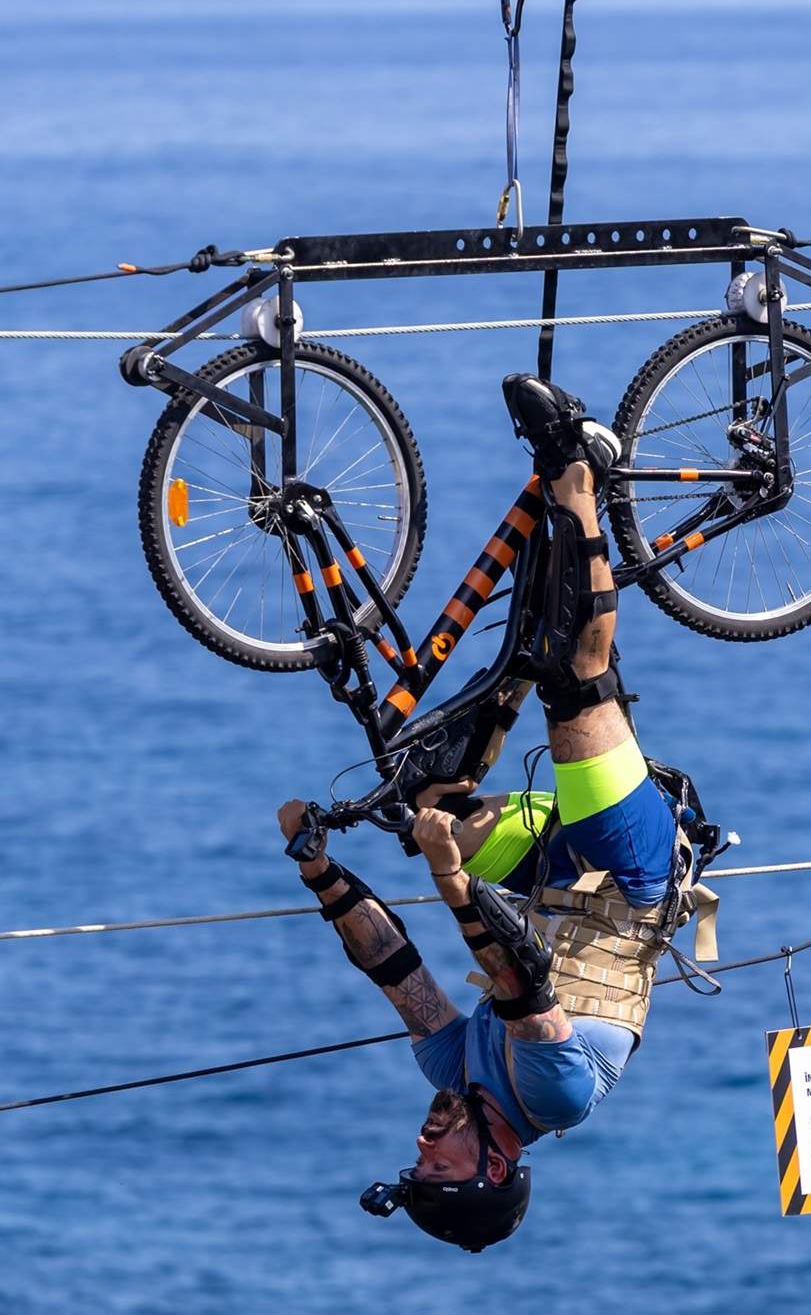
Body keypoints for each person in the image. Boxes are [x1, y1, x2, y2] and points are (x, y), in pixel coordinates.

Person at [277, 375, 717, 1253]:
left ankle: (515, 643)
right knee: (573, 683)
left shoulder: (454, 1075)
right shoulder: (554, 1099)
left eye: (418, 1160)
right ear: (494, 1165)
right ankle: (578, 471)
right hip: (626, 875)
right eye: (437, 1165)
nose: (422, 1143)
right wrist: (446, 875)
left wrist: (319, 869)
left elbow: (395, 971)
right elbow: (519, 980)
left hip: (544, 875)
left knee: (417, 797)